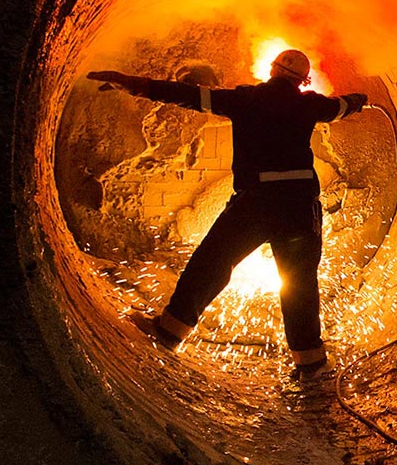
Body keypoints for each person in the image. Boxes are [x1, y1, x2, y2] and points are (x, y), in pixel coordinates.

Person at [86, 48, 369, 376]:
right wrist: (360, 99)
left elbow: (190, 96)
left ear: (271, 70)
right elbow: (342, 107)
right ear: (303, 81)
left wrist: (136, 84)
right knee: (300, 283)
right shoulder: (310, 104)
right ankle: (311, 363)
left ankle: (170, 330)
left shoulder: (246, 99)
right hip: (299, 204)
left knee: (213, 260)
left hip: (257, 200)